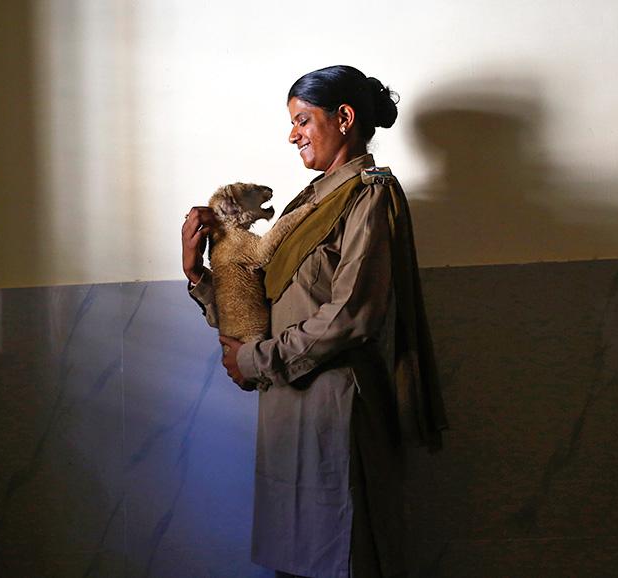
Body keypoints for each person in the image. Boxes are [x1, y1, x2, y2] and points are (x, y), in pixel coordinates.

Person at [182, 65, 447, 578]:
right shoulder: (308, 201)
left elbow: (352, 315)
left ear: (344, 118)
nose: (293, 134)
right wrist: (198, 274)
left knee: (338, 555)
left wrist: (256, 360)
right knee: (298, 559)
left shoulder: (368, 194)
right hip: (287, 400)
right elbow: (259, 303)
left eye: (303, 120)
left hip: (334, 403)